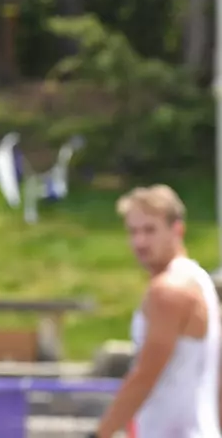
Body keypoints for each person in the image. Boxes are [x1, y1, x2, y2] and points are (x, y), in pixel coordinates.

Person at [93, 185, 221, 438]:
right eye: (133, 231)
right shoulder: (200, 281)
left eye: (150, 230)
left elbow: (145, 376)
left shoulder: (168, 290)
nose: (139, 242)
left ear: (177, 230)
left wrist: (100, 434)